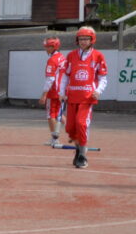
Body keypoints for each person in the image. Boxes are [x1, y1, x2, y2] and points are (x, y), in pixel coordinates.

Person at [60, 26, 108, 169]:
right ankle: (78, 149)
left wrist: (98, 90)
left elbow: (103, 78)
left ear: (92, 40)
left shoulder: (98, 56)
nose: (83, 41)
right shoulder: (71, 56)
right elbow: (65, 76)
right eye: (81, 39)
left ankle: (82, 155)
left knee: (82, 124)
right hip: (72, 96)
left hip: (87, 97)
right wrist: (62, 92)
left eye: (86, 39)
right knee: (70, 128)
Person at [37, 36, 67, 148]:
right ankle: (74, 133)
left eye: (48, 46)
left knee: (51, 115)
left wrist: (44, 94)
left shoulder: (52, 60)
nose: (46, 49)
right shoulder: (62, 58)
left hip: (54, 91)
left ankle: (55, 139)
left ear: (54, 47)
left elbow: (50, 79)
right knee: (59, 114)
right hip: (62, 91)